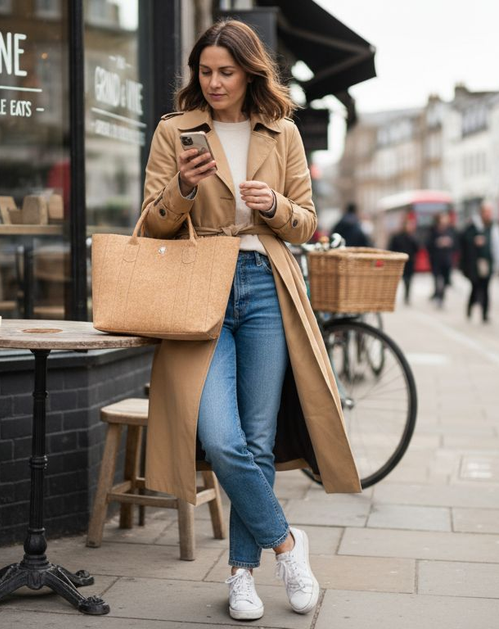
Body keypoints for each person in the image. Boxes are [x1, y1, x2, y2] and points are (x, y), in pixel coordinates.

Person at [138, 20, 360, 622]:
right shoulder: (173, 132)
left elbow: (307, 223)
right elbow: (152, 224)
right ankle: (287, 544)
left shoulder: (282, 132)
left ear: (248, 72)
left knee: (258, 441)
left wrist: (276, 206)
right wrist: (182, 190)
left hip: (266, 287)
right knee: (220, 435)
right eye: (205, 71)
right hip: (199, 288)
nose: (213, 82)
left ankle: (241, 575)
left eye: (225, 72)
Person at [459, 203, 499, 323]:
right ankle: (470, 307)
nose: (488, 215)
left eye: (489, 212)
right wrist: (474, 241)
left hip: (487, 263)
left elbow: (498, 247)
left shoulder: (493, 227)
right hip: (474, 263)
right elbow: (463, 241)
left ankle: (485, 314)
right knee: (475, 287)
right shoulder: (472, 226)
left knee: (486, 288)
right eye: (486, 212)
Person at [387, 216, 421, 305]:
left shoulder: (412, 237)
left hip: (410, 262)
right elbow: (391, 249)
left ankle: (407, 297)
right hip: (399, 262)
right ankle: (391, 297)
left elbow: (418, 248)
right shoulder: (397, 237)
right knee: (396, 281)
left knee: (408, 281)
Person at [426, 212, 457, 308]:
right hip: (436, 259)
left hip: (446, 259)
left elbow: (456, 243)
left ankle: (441, 296)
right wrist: (437, 243)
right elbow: (428, 243)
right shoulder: (433, 230)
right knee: (437, 279)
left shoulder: (450, 230)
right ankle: (437, 295)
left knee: (445, 280)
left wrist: (449, 243)